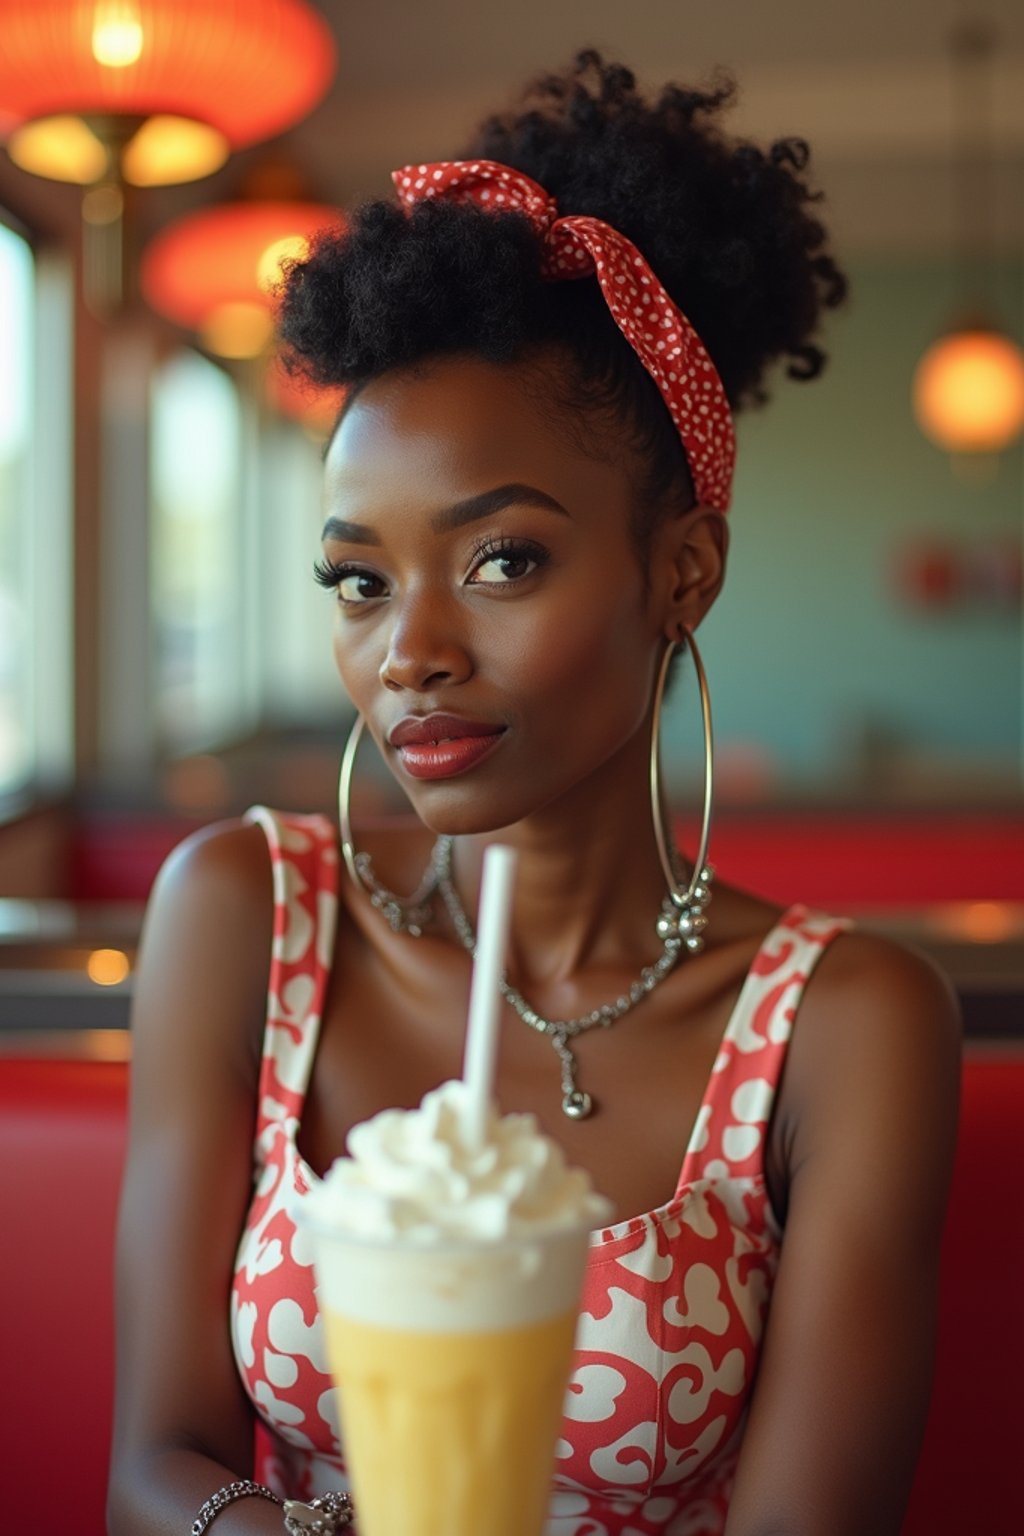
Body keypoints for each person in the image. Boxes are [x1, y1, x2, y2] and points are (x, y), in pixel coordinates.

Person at [108, 51, 961, 1536]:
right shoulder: (244, 914)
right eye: (358, 581)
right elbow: (151, 1466)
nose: (411, 652)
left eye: (504, 560)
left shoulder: (845, 1025)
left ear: (679, 572)